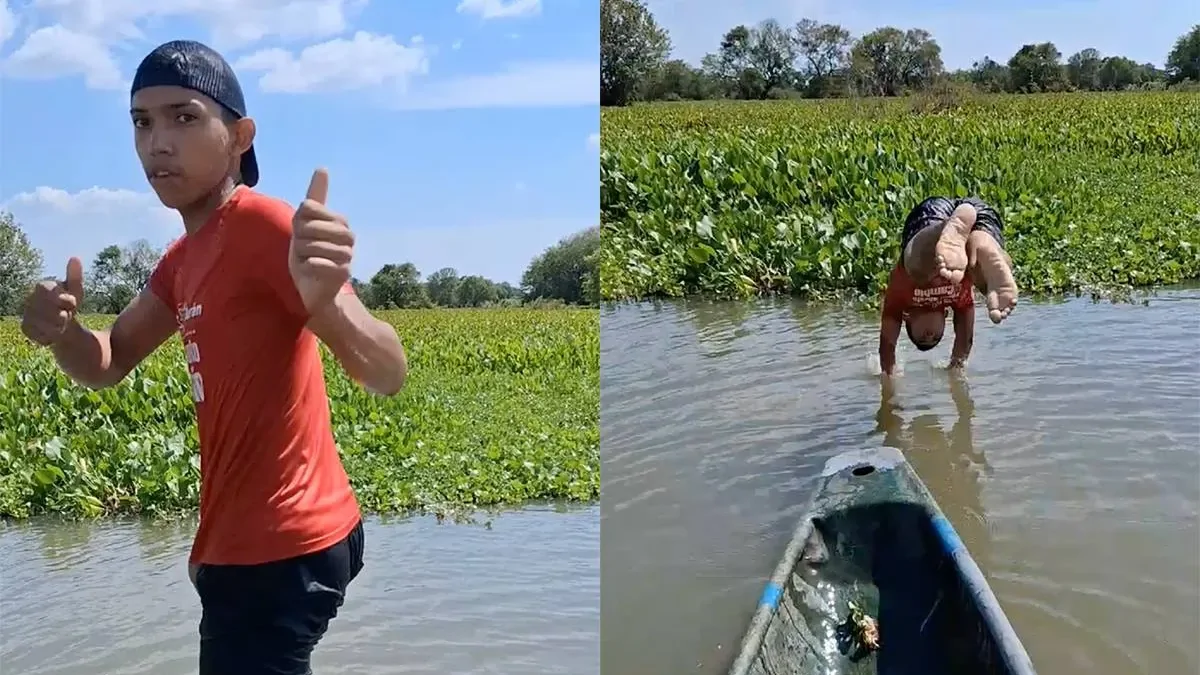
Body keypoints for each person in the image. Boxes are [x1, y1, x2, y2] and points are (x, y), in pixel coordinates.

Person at [18, 39, 408, 675]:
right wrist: (61, 332)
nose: (157, 142)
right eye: (142, 123)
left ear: (240, 135)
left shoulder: (267, 227)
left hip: (284, 548)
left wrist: (328, 305)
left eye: (184, 116)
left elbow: (386, 372)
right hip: (240, 552)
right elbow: (107, 361)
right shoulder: (182, 261)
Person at [878, 196, 1018, 375]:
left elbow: (887, 347)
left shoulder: (900, 300)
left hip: (932, 219)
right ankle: (984, 244)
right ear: (946, 315)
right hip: (981, 217)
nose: (929, 336)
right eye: (936, 337)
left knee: (916, 268)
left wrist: (888, 374)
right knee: (979, 276)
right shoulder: (959, 303)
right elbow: (964, 340)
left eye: (922, 338)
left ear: (908, 317)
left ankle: (945, 230)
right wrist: (956, 367)